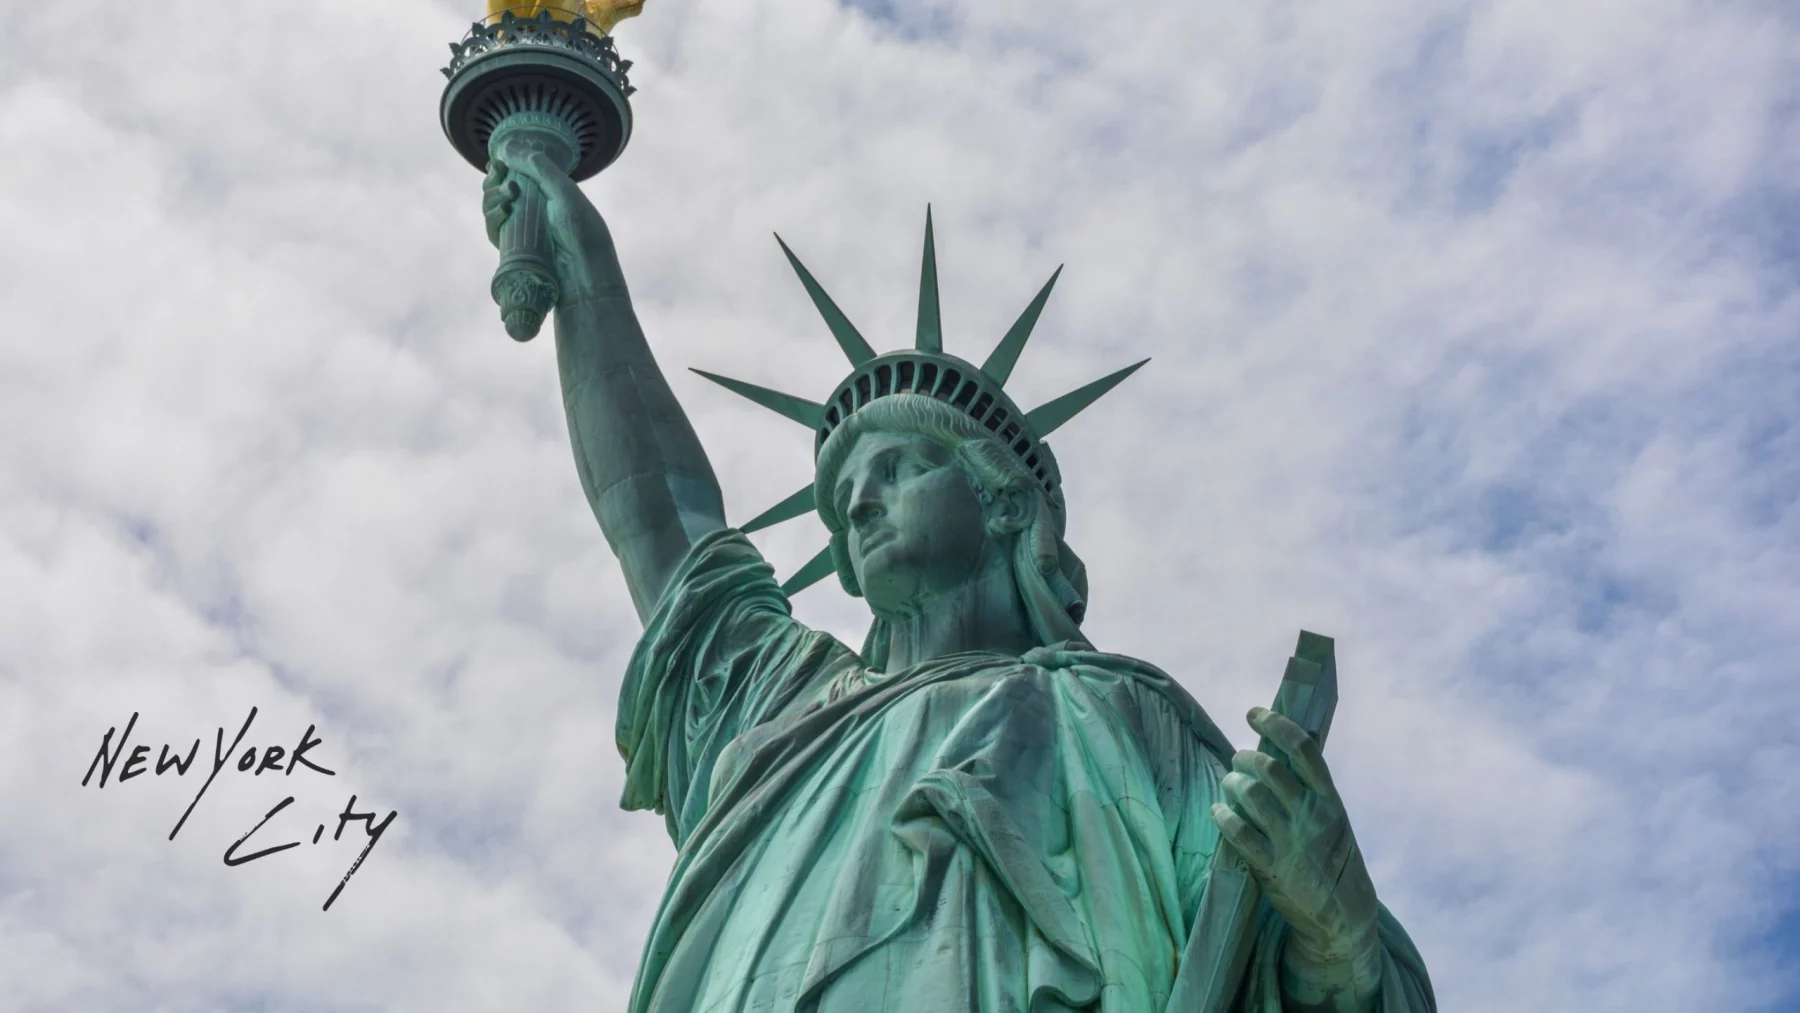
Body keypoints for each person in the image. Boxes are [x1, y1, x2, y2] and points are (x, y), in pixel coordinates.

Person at [481, 152, 1435, 1013]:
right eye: (845, 492)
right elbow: (660, 517)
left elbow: (1289, 968)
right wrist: (582, 267)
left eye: (899, 468)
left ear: (1006, 503)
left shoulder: (1124, 721)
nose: (859, 504)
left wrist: (1333, 924)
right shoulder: (782, 710)